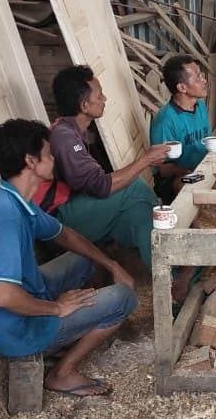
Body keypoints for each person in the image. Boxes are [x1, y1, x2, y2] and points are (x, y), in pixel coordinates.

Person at [0, 119, 138, 398]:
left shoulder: (14, 201)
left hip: (23, 302)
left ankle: (70, 331)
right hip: (14, 332)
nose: (55, 157)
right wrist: (57, 308)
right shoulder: (4, 217)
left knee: (86, 257)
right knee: (124, 299)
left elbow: (64, 234)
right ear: (31, 161)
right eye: (49, 153)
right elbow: (5, 297)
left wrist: (112, 264)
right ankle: (62, 373)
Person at [46, 65, 171, 272]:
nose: (105, 99)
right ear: (84, 105)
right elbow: (100, 187)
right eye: (100, 95)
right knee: (133, 188)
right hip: (60, 220)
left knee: (139, 213)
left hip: (77, 209)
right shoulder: (65, 138)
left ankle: (168, 277)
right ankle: (168, 234)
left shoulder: (73, 131)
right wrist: (146, 159)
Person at [149, 55, 211, 205]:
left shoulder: (200, 106)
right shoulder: (166, 121)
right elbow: (162, 170)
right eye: (198, 78)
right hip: (177, 179)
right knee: (189, 184)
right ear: (182, 87)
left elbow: (207, 143)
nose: (204, 81)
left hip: (202, 170)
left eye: (201, 75)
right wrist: (186, 172)